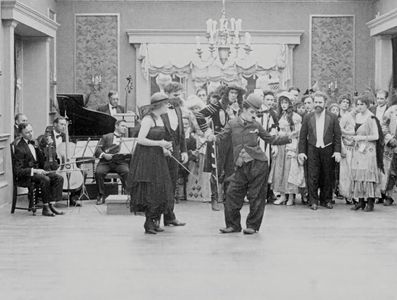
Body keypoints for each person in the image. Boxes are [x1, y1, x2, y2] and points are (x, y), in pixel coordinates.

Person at [208, 94, 294, 234]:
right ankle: (233, 225)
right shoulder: (232, 123)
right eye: (252, 112)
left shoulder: (256, 125)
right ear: (244, 109)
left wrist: (288, 139)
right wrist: (213, 137)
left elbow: (270, 139)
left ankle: (253, 226)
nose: (254, 116)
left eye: (256, 113)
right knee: (231, 194)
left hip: (258, 164)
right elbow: (222, 137)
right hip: (240, 166)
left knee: (256, 197)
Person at [127, 92, 173, 234]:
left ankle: (155, 220)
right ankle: (148, 223)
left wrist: (165, 149)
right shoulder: (148, 119)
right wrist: (159, 143)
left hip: (157, 157)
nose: (168, 106)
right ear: (159, 105)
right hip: (146, 158)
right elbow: (140, 139)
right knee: (150, 190)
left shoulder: (161, 118)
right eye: (166, 104)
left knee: (160, 189)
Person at [298, 91, 342, 210]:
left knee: (327, 175)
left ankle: (326, 200)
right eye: (316, 102)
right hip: (312, 149)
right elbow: (302, 136)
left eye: (320, 102)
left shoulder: (332, 117)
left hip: (328, 148)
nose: (317, 104)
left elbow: (337, 136)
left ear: (325, 103)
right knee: (312, 175)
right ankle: (313, 201)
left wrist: (337, 151)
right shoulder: (308, 117)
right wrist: (301, 152)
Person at [14, 123, 64, 217]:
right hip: (27, 176)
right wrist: (36, 171)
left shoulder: (34, 143)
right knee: (45, 179)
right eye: (27, 132)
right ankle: (45, 208)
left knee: (58, 178)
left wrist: (42, 148)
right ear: (21, 134)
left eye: (31, 131)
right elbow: (18, 171)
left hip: (37, 172)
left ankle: (51, 204)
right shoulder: (19, 148)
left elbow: (41, 161)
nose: (30, 134)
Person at [350, 94, 384, 212]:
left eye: (362, 104)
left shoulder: (371, 118)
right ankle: (360, 201)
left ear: (367, 105)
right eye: (357, 104)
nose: (359, 107)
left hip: (369, 149)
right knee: (359, 174)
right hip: (359, 149)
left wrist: (362, 138)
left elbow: (376, 136)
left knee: (368, 175)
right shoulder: (357, 116)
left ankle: (370, 202)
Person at [161, 82, 188, 226]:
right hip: (161, 151)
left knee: (172, 184)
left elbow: (182, 132)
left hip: (176, 151)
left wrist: (183, 150)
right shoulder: (158, 109)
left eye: (180, 94)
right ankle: (154, 219)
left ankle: (169, 217)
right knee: (160, 184)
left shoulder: (177, 108)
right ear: (166, 94)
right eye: (175, 95)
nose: (179, 98)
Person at [269, 92, 303, 206]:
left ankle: (291, 196)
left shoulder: (295, 117)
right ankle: (282, 195)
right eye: (282, 102)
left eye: (286, 102)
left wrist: (288, 135)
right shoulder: (280, 116)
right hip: (280, 145)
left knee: (289, 170)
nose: (284, 105)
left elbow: (298, 132)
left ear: (290, 103)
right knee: (280, 170)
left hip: (290, 144)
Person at [94, 119, 130, 205]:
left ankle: (128, 195)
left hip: (120, 162)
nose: (125, 128)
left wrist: (128, 152)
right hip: (105, 162)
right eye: (123, 126)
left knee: (127, 172)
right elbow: (97, 149)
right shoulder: (106, 136)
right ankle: (101, 195)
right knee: (98, 172)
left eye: (126, 126)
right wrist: (104, 155)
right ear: (116, 126)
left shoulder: (127, 139)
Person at [381, 95, 397, 206]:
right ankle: (389, 196)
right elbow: (383, 125)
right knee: (391, 172)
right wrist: (389, 138)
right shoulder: (391, 110)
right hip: (393, 145)